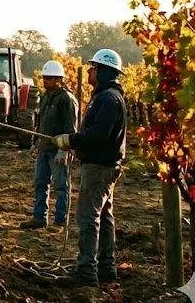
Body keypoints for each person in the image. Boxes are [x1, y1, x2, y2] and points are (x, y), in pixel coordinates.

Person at [52, 49, 127, 287]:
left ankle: (86, 271)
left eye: (94, 67)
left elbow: (98, 134)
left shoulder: (107, 99)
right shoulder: (107, 96)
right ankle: (106, 267)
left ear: (104, 71)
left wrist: (71, 140)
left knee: (88, 217)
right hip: (104, 165)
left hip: (98, 167)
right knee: (104, 216)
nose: (90, 70)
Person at [20, 60, 78, 230]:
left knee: (61, 187)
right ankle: (39, 218)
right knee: (40, 184)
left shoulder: (66, 99)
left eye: (50, 78)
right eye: (44, 78)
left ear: (59, 79)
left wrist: (63, 150)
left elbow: (70, 128)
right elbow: (40, 123)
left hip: (58, 151)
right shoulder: (45, 96)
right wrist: (35, 143)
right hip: (43, 149)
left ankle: (59, 222)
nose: (46, 81)